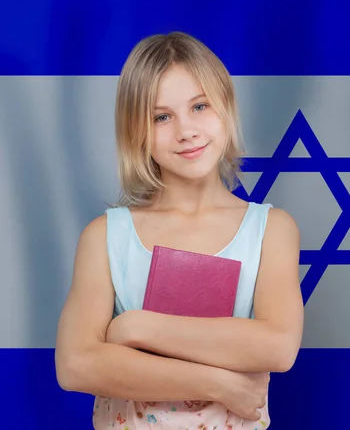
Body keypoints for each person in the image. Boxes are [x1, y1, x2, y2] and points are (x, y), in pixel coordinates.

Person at [54, 31, 304, 429]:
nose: (186, 131)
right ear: (135, 130)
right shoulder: (105, 236)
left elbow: (278, 346)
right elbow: (75, 364)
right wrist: (219, 383)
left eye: (200, 106)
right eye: (162, 117)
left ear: (226, 106)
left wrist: (137, 327)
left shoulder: (271, 229)